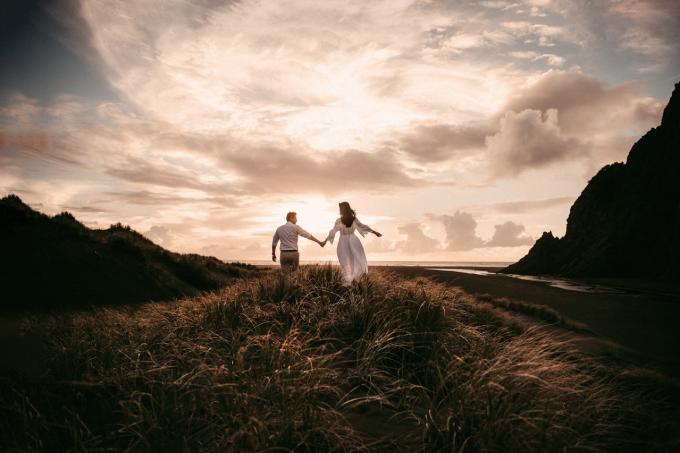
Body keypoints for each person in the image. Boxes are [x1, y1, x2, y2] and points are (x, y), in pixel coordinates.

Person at [322, 201, 382, 285]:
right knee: (356, 259)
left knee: (345, 261)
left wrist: (324, 241)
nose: (339, 210)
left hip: (343, 241)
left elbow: (333, 232)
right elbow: (363, 226)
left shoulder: (339, 221)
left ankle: (349, 281)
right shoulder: (353, 219)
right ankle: (355, 280)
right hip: (353, 240)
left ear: (342, 209)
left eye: (340, 208)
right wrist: (374, 232)